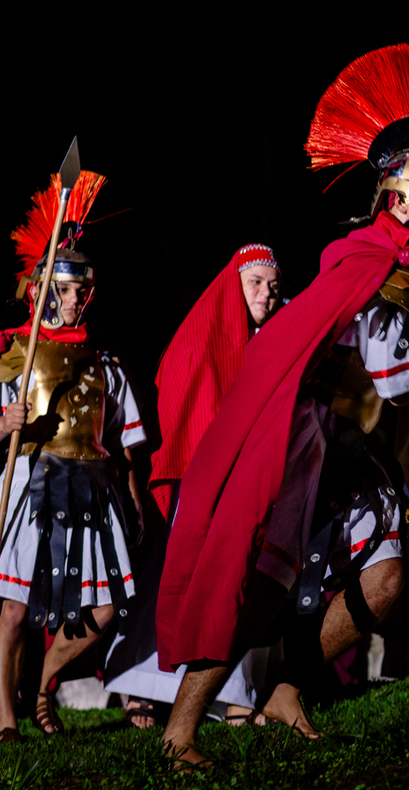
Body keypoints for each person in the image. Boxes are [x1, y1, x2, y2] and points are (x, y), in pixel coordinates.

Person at [156, 44, 409, 762]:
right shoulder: (379, 266)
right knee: (260, 587)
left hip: (349, 442)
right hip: (307, 441)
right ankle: (179, 728)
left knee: (386, 579)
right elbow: (397, 381)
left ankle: (287, 683)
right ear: (402, 198)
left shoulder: (392, 260)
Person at [0, 171, 147, 743]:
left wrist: (132, 502)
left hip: (93, 485)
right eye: (66, 288)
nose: (76, 298)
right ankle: (7, 720)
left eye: (84, 289)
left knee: (103, 608)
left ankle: (42, 687)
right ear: (44, 291)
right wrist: (2, 423)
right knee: (11, 610)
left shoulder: (105, 360)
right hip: (31, 484)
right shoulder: (15, 353)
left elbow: (126, 442)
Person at [104, 243, 284, 729]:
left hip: (252, 476)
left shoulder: (277, 331)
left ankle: (235, 690)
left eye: (272, 284)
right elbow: (184, 400)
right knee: (179, 574)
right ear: (235, 285)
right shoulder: (200, 337)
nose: (267, 293)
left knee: (241, 576)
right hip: (203, 476)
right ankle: (139, 679)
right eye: (256, 283)